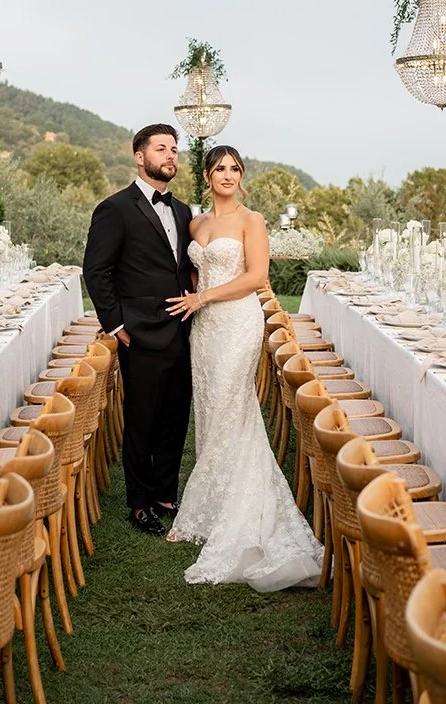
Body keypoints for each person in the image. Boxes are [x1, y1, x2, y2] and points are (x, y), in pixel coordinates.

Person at [163, 144, 322, 590]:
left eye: (235, 169)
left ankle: (225, 511)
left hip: (237, 323)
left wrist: (204, 297)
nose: (228, 175)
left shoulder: (252, 221)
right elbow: (193, 274)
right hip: (205, 329)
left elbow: (256, 277)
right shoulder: (196, 223)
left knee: (234, 406)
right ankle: (217, 505)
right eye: (220, 169)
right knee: (211, 412)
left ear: (241, 176)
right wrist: (195, 297)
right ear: (208, 176)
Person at [82, 124, 195, 536]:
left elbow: (183, 267)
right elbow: (96, 271)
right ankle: (139, 502)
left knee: (174, 416)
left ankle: (166, 494)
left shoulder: (183, 211)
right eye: (162, 149)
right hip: (140, 331)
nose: (171, 156)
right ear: (139, 156)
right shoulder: (115, 208)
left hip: (182, 328)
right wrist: (114, 323)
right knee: (142, 420)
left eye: (174, 150)